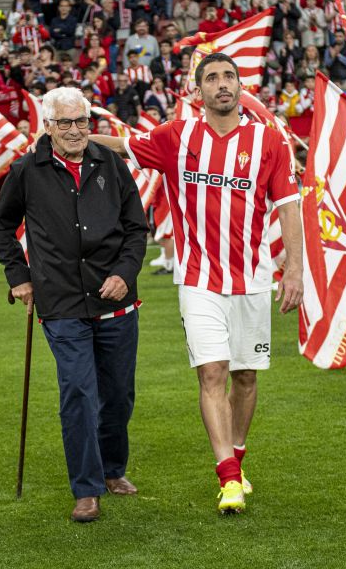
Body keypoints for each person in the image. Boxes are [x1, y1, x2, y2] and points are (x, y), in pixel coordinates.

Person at [89, 53, 303, 514]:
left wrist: (296, 271)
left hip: (252, 279)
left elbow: (289, 207)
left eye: (229, 77)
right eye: (212, 78)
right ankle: (228, 477)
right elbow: (123, 145)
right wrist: (73, 136)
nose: (222, 84)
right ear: (198, 90)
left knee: (246, 377)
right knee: (212, 372)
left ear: (240, 86)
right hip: (198, 279)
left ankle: (237, 458)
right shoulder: (176, 136)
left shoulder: (269, 141)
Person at [0, 86, 147, 523]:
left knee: (118, 395)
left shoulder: (111, 163)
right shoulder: (27, 170)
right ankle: (86, 488)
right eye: (65, 122)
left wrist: (124, 273)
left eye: (81, 121)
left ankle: (112, 469)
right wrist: (19, 277)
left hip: (116, 300)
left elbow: (136, 229)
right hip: (60, 302)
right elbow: (2, 225)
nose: (76, 130)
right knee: (78, 392)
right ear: (48, 126)